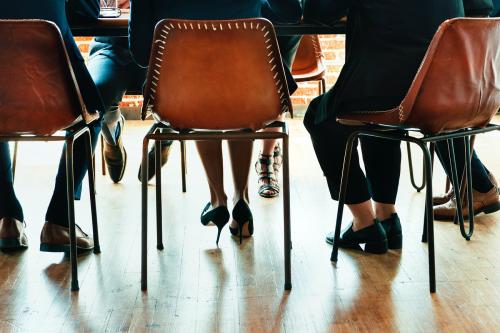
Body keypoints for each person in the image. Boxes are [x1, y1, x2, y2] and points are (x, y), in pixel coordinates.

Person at [303, 0, 488, 254]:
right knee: (378, 117)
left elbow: (320, 13)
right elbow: (481, 7)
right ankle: (386, 217)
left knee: (319, 118)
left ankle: (363, 222)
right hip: (449, 90)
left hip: (388, 84)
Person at [129, 0, 303, 243]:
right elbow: (290, 12)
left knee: (200, 94)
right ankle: (241, 199)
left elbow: (139, 52)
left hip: (183, 96)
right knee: (237, 91)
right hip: (249, 91)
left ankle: (217, 200)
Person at [0, 0, 104, 251]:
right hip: (53, 85)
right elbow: (88, 11)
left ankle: (7, 218)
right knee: (91, 116)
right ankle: (60, 220)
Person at [86, 0, 172, 183]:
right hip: (110, 47)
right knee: (97, 91)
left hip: (161, 49)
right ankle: (112, 132)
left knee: (179, 89)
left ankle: (164, 137)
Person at [432, 0, 500, 221]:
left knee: (434, 105)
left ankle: (478, 185)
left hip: (466, 78)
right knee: (437, 100)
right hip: (481, 76)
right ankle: (471, 183)